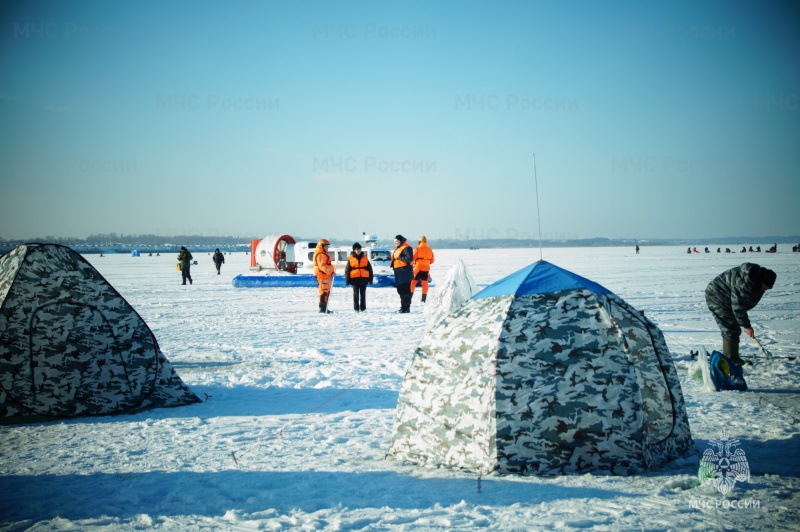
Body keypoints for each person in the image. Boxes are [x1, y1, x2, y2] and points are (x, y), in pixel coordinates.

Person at [705, 263, 776, 370]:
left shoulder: (755, 279)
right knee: (730, 328)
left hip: (728, 297)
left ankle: (732, 356)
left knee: (733, 327)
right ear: (762, 281)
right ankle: (731, 359)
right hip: (717, 296)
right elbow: (738, 306)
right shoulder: (743, 283)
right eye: (766, 287)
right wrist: (746, 326)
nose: (766, 289)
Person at [345, 242, 373, 312]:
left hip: (364, 279)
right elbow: (347, 270)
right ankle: (356, 308)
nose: (358, 250)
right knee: (356, 294)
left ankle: (363, 308)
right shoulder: (351, 259)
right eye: (357, 249)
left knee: (363, 294)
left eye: (359, 249)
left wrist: (370, 279)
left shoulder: (365, 258)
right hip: (354, 279)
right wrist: (347, 280)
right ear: (354, 250)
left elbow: (370, 269)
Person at [391, 234, 414, 313]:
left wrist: (399, 257)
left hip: (405, 272)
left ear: (401, 241)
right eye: (394, 241)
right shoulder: (399, 248)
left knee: (405, 291)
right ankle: (403, 306)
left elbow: (409, 259)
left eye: (397, 241)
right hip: (398, 272)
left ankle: (406, 308)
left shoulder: (407, 248)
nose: (396, 243)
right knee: (400, 290)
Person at [410, 235, 435, 303]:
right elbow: (432, 261)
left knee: (413, 282)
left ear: (419, 241)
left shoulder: (417, 249)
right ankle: (423, 299)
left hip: (418, 268)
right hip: (426, 269)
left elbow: (412, 259)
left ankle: (409, 297)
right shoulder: (430, 250)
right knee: (425, 283)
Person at [314, 239, 335, 314]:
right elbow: (322, 266)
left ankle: (325, 308)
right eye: (326, 246)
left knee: (326, 291)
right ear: (322, 246)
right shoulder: (321, 255)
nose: (327, 248)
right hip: (322, 275)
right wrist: (331, 272)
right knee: (323, 292)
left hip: (325, 275)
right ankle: (322, 309)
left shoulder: (323, 253)